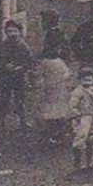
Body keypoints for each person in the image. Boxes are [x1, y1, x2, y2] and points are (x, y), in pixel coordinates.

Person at [38, 11, 76, 146]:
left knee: (56, 102)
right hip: (58, 68)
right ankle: (62, 130)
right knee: (59, 100)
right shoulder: (56, 34)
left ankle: (59, 132)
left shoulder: (53, 35)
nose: (41, 24)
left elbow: (56, 51)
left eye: (43, 21)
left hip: (56, 69)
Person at [0, 19, 35, 136]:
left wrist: (20, 67)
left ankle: (22, 122)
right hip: (5, 78)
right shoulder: (2, 45)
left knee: (20, 100)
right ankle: (1, 122)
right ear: (5, 32)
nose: (12, 34)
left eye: (14, 31)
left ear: (19, 32)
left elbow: (30, 62)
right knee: (4, 100)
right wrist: (4, 66)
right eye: (9, 31)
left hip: (19, 77)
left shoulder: (23, 46)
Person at [68, 67, 93, 175]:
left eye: (90, 78)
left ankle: (89, 162)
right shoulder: (77, 91)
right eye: (85, 78)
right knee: (80, 138)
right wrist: (77, 115)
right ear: (80, 79)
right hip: (83, 117)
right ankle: (77, 164)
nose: (87, 81)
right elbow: (72, 106)